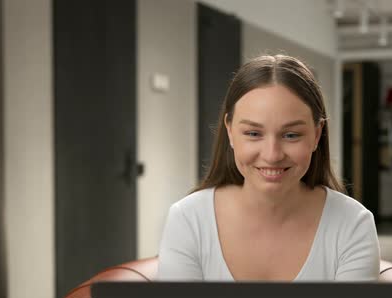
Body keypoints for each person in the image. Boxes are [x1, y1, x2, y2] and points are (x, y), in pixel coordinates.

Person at [157, 54, 380, 282]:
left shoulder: (353, 224)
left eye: (291, 135)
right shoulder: (187, 219)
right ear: (230, 131)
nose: (272, 155)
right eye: (253, 134)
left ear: (316, 134)